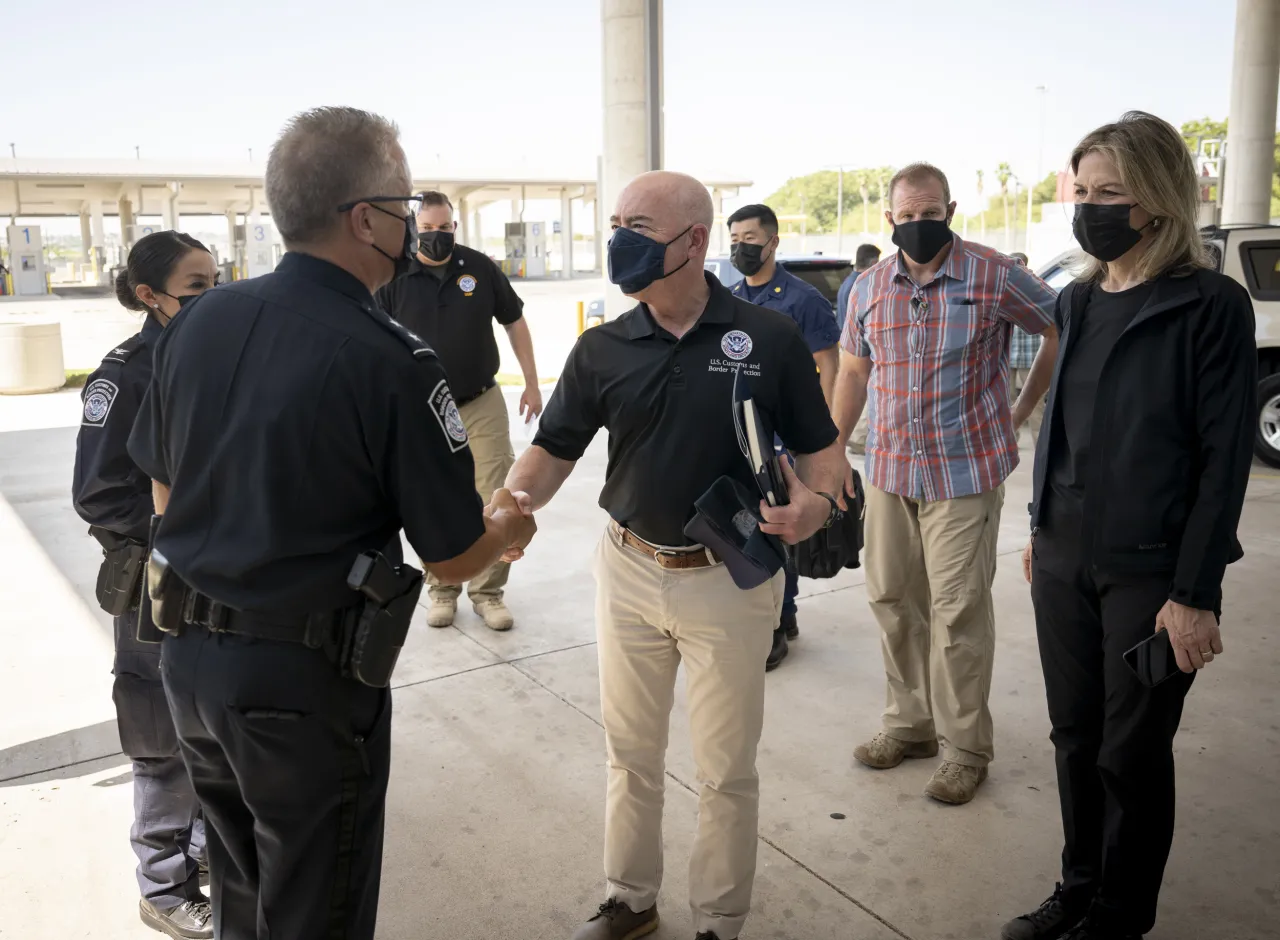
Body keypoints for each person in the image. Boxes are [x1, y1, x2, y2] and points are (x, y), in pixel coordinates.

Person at [126, 107, 536, 940]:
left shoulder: (201, 321)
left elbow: (164, 490)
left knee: (243, 896)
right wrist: (510, 528)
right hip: (300, 690)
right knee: (319, 913)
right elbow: (454, 558)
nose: (407, 221)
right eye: (402, 202)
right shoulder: (390, 356)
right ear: (365, 219)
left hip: (189, 666)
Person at [506, 171, 847, 940]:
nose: (620, 238)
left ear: (695, 241)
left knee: (726, 771)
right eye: (616, 222)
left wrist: (812, 508)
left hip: (727, 579)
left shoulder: (769, 338)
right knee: (630, 753)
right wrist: (511, 505)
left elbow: (826, 459)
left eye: (639, 226)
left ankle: (720, 921)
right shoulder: (601, 347)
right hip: (627, 570)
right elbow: (552, 451)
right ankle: (630, 900)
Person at [1003, 112, 1256, 940]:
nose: (1091, 206)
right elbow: (1061, 433)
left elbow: (1222, 464)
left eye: (1110, 190)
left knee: (1130, 753)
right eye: (1081, 191)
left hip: (1152, 571)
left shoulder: (1210, 305)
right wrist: (1040, 531)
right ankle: (1077, 891)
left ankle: (1118, 916)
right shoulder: (1076, 302)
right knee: (1074, 737)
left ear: (1159, 195)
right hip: (1066, 555)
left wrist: (1195, 591)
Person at [830, 162, 1059, 805]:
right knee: (892, 598)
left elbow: (1060, 326)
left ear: (950, 210)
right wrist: (829, 450)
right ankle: (910, 724)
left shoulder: (994, 273)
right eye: (908, 215)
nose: (920, 224)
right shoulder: (868, 287)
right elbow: (852, 374)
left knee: (957, 610)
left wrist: (1020, 409)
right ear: (890, 218)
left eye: (931, 214)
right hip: (890, 468)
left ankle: (965, 749)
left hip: (964, 472)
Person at [72, 230, 217, 940]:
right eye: (196, 288)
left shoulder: (214, 359)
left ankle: (202, 857)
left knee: (210, 731)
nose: (211, 298)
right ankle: (163, 886)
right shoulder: (125, 374)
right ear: (148, 295)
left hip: (219, 581)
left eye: (217, 282)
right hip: (157, 585)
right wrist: (178, 538)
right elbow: (99, 496)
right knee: (161, 740)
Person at [377, 190, 541, 632]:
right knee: (435, 496)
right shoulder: (394, 276)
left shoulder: (479, 268)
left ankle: (488, 593)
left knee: (494, 491)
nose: (436, 236)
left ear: (454, 227)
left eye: (443, 228)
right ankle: (442, 590)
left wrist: (530, 382)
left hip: (481, 399)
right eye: (426, 229)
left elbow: (514, 322)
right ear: (415, 228)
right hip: (423, 407)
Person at [726, 203, 841, 669]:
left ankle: (779, 622)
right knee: (750, 527)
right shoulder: (732, 297)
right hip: (743, 433)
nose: (741, 247)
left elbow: (829, 367)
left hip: (786, 436)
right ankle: (779, 614)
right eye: (734, 239)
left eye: (750, 239)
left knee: (778, 526)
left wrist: (820, 440)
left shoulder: (801, 299)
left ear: (773, 241)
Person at [837, 243, 883, 455]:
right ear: (873, 261)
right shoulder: (863, 284)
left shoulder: (847, 282)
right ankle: (858, 439)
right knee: (862, 391)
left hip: (845, 345)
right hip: (856, 348)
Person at [1008, 252, 1046, 450]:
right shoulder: (1003, 287)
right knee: (1007, 401)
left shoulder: (1032, 288)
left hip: (1029, 356)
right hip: (1008, 356)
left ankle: (1041, 444)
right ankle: (1009, 442)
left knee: (1034, 402)